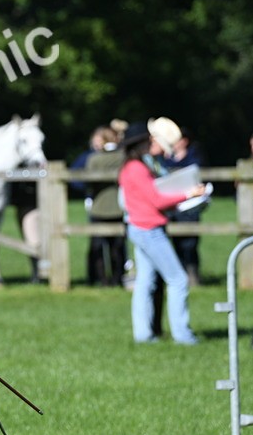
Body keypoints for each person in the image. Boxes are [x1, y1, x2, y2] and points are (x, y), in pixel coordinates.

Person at [119, 120, 204, 345]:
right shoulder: (137, 169)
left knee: (145, 283)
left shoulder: (133, 167)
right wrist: (189, 194)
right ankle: (183, 335)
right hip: (149, 230)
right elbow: (156, 199)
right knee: (178, 280)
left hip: (140, 228)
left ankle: (143, 335)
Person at [162, 127, 206, 286]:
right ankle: (180, 274)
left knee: (190, 243)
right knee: (176, 241)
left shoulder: (194, 156)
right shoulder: (166, 158)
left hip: (190, 205)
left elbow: (195, 169)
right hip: (174, 204)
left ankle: (192, 274)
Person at [85, 127, 127, 286]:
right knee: (117, 246)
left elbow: (86, 181)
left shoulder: (94, 159)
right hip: (119, 207)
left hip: (99, 207)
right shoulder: (123, 157)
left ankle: (98, 279)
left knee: (97, 246)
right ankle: (117, 278)